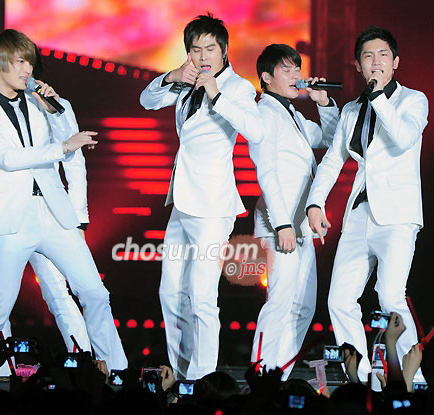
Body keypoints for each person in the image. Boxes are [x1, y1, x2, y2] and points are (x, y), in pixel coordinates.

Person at [0, 29, 127, 373]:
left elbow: (73, 151)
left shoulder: (42, 102)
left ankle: (115, 370)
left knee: (95, 292)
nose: (28, 70)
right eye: (21, 62)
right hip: (12, 216)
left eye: (30, 63)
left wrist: (55, 110)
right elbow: (6, 158)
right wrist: (61, 148)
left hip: (53, 212)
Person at [140, 13, 264, 380]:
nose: (203, 56)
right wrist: (173, 77)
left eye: (210, 48)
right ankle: (180, 373)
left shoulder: (237, 88)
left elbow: (255, 131)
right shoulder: (185, 82)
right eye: (196, 49)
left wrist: (216, 93)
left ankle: (202, 378)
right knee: (170, 292)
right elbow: (147, 100)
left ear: (224, 50)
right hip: (181, 202)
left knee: (201, 295)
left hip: (212, 205)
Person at [306, 26, 428, 383]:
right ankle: (361, 378)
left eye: (382, 55)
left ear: (395, 62)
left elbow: (403, 139)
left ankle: (411, 379)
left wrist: (378, 99)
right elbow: (333, 161)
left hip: (397, 215)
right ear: (358, 65)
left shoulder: (413, 100)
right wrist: (315, 203)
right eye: (368, 56)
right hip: (360, 214)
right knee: (339, 300)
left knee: (390, 296)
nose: (375, 62)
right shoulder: (351, 110)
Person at [248, 44, 339, 379]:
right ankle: (260, 377)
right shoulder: (263, 113)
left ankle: (278, 376)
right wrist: (282, 224)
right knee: (281, 301)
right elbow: (266, 172)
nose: (295, 75)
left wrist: (323, 102)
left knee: (303, 307)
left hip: (299, 226)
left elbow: (333, 139)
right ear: (266, 77)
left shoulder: (294, 116)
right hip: (280, 225)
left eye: (296, 68)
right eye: (285, 69)